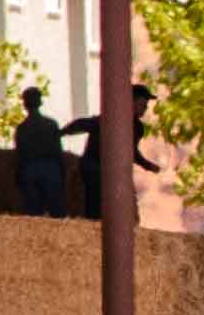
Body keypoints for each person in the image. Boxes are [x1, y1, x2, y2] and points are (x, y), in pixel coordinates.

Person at [62, 84, 161, 221]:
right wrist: (61, 132)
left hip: (111, 169)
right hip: (93, 164)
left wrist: (146, 165)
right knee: (96, 192)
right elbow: (82, 124)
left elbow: (131, 151)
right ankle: (94, 222)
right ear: (131, 102)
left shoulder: (137, 127)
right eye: (143, 103)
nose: (146, 107)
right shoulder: (111, 118)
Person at [13, 86, 67, 219]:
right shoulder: (50, 124)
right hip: (50, 168)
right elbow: (57, 151)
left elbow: (20, 155)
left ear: (25, 104)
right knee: (56, 209)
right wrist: (62, 170)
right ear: (40, 102)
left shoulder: (22, 128)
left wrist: (18, 174)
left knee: (33, 210)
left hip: (30, 168)